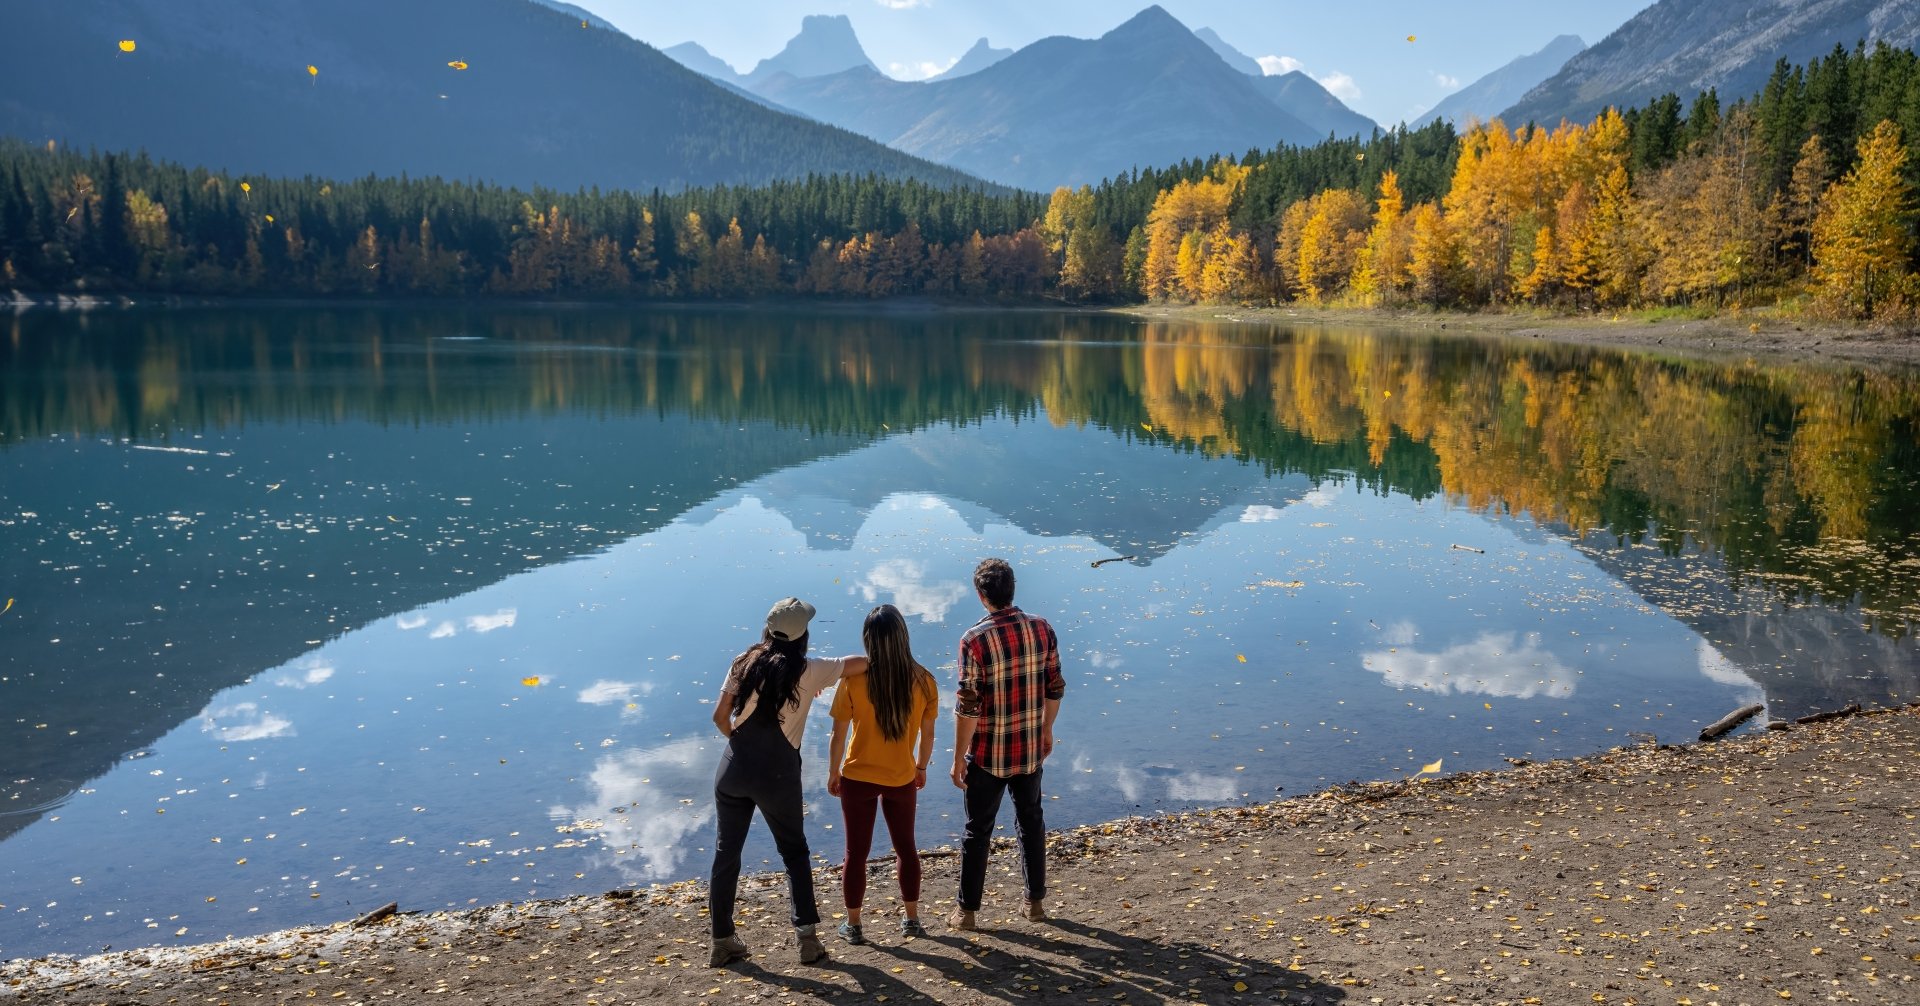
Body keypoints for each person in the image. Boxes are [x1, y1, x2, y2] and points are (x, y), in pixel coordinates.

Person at [707, 597, 865, 968]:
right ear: (803, 635)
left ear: (768, 629)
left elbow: (718, 717)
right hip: (778, 775)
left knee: (725, 854)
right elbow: (861, 663)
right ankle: (807, 940)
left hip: (733, 769)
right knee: (794, 852)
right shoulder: (809, 670)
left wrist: (738, 742)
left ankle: (721, 941)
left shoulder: (742, 663)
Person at [948, 557, 1064, 931]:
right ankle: (1035, 905)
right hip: (1030, 748)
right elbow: (1055, 686)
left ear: (982, 596)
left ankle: (967, 914)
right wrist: (1046, 730)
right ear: (1012, 589)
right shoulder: (1042, 628)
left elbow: (968, 706)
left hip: (987, 754)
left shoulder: (974, 640)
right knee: (1031, 822)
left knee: (976, 831)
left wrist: (957, 759)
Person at [825, 604, 939, 944]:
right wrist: (920, 767)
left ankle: (854, 925)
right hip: (901, 776)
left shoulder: (853, 680)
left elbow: (838, 734)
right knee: (907, 848)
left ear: (868, 640)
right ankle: (912, 920)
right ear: (904, 636)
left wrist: (833, 772)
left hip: (857, 777)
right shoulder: (924, 680)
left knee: (855, 853)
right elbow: (928, 734)